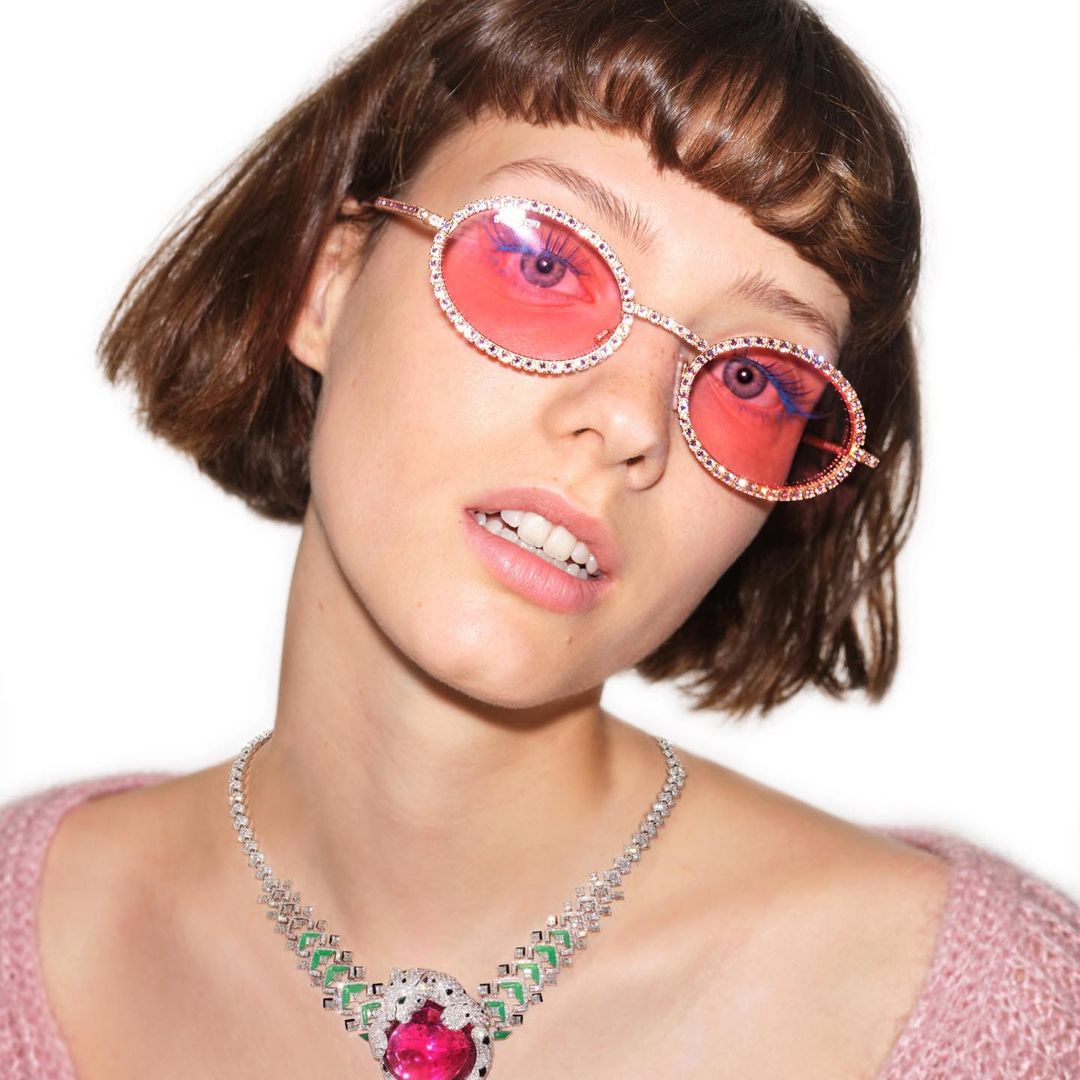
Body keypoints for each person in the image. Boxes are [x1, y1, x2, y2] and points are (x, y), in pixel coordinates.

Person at [1, 0, 1077, 1077]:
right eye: (545, 265)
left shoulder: (997, 1018)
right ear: (327, 286)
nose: (629, 420)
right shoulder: (28, 928)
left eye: (753, 377)